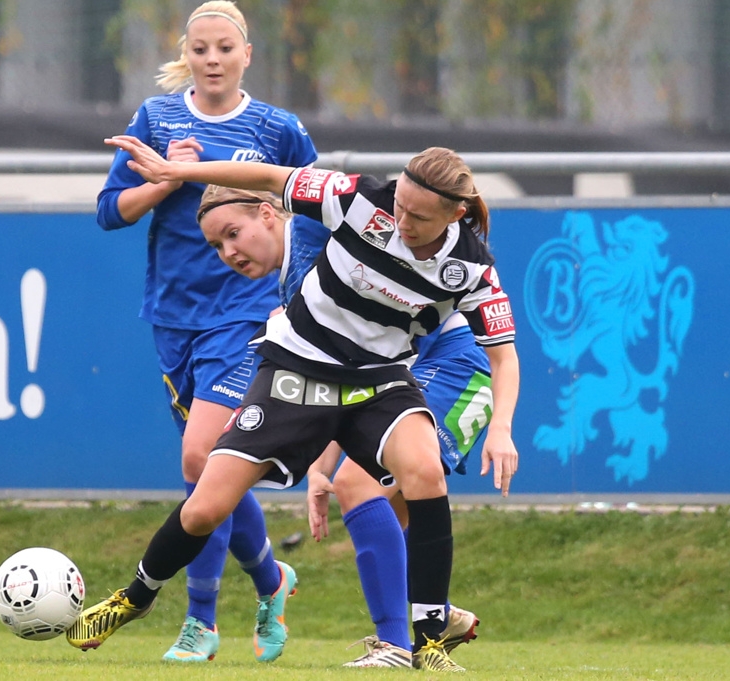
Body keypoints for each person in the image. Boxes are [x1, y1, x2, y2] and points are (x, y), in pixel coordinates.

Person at [70, 135, 520, 673]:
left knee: (423, 470)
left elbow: (504, 357)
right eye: (399, 205)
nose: (401, 222)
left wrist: (502, 429)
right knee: (206, 506)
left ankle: (426, 640)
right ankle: (134, 598)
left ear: (456, 213)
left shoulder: (472, 269)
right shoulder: (352, 198)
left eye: (418, 218)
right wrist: (175, 172)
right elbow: (267, 177)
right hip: (296, 369)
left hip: (379, 381)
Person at [193, 183, 510, 667]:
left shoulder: (313, 237)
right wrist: (318, 469)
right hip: (402, 376)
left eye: (233, 234)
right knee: (386, 513)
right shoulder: (295, 283)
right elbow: (339, 386)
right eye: (216, 244)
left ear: (270, 214)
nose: (228, 252)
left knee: (358, 486)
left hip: (457, 369)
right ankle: (432, 620)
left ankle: (396, 646)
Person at [94, 0, 318, 663]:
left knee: (201, 458)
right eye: (200, 49)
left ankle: (201, 622)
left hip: (246, 315)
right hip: (174, 318)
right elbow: (111, 212)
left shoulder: (277, 127)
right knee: (214, 470)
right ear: (185, 55)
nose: (213, 59)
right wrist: (168, 179)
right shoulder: (155, 120)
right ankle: (272, 579)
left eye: (225, 47)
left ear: (247, 53)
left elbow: (313, 201)